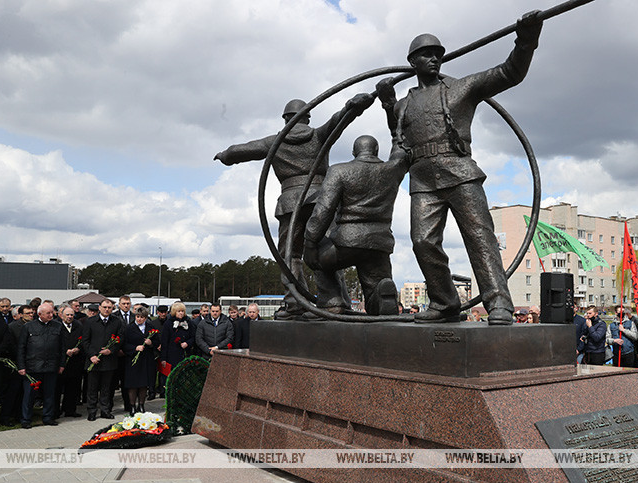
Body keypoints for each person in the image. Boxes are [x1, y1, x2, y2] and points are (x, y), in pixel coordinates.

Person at [375, 10, 543, 325]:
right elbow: (398, 135)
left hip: (461, 173)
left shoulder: (461, 87)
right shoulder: (404, 103)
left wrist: (527, 39)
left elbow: (510, 73)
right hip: (423, 179)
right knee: (423, 241)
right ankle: (445, 302)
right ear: (413, 62)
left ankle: (499, 305)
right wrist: (387, 103)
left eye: (438, 54)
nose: (434, 59)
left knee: (480, 238)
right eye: (426, 55)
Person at [216, 94, 375, 319]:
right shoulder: (320, 134)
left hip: (290, 204)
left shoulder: (275, 141)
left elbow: (240, 151)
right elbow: (341, 117)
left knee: (290, 255)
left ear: (285, 119)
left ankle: (295, 303)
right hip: (320, 200)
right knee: (325, 249)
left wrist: (224, 155)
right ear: (307, 118)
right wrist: (354, 104)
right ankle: (333, 301)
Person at [303, 135, 407, 316]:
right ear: (376, 151)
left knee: (317, 258)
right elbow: (401, 147)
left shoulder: (339, 171)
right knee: (375, 285)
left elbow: (324, 210)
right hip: (380, 244)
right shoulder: (393, 169)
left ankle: (332, 302)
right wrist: (392, 112)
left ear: (353, 152)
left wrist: (310, 242)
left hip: (347, 243)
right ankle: (380, 296)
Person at [16, 303, 65, 428]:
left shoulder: (58, 326)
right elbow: (21, 348)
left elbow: (62, 347)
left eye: (52, 312)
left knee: (50, 394)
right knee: (29, 395)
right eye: (48, 313)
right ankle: (26, 419)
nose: (51, 315)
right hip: (33, 367)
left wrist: (61, 364)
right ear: (39, 314)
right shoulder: (29, 327)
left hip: (51, 366)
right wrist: (21, 366)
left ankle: (48, 417)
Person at [82, 298, 123, 421]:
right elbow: (85, 341)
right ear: (99, 308)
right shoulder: (90, 322)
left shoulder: (116, 322)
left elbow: (120, 338)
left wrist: (111, 350)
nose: (107, 309)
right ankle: (92, 411)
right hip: (94, 360)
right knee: (92, 388)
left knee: (107, 388)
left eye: (109, 307)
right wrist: (92, 355)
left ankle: (105, 410)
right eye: (104, 307)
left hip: (109, 361)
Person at [122, 307, 159, 414]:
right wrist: (135, 348)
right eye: (137, 317)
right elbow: (124, 345)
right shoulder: (129, 328)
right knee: (133, 384)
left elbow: (157, 342)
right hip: (133, 360)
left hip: (147, 360)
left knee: (143, 384)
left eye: (142, 317)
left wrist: (151, 343)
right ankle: (132, 406)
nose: (139, 319)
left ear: (146, 318)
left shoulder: (151, 327)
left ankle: (141, 405)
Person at [56, 305, 84, 418]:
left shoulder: (78, 325)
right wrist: (64, 351)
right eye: (67, 314)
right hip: (61, 362)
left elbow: (83, 340)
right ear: (62, 316)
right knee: (57, 389)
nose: (69, 317)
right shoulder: (56, 326)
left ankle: (70, 410)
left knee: (73, 388)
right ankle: (55, 411)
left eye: (72, 314)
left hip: (75, 362)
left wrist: (78, 349)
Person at [159, 302, 195, 379]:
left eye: (182, 311)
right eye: (179, 311)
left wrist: (187, 343)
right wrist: (163, 358)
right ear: (174, 312)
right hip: (171, 355)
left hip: (185, 354)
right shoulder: (168, 323)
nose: (181, 313)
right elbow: (164, 341)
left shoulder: (189, 322)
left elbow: (193, 337)